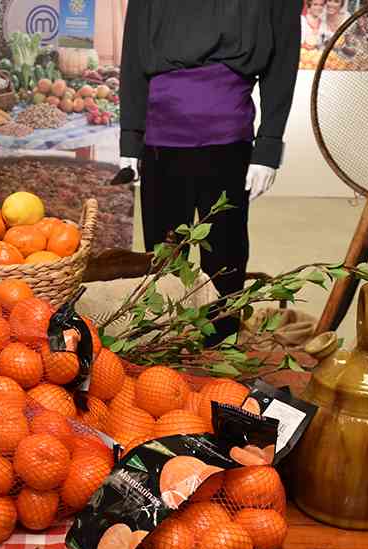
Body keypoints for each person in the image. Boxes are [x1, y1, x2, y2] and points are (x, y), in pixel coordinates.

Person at [118, 0, 300, 334]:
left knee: (225, 258)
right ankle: (164, 343)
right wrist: (131, 137)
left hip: (227, 140)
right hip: (160, 140)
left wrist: (268, 146)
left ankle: (220, 345)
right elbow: (132, 55)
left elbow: (283, 59)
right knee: (163, 257)